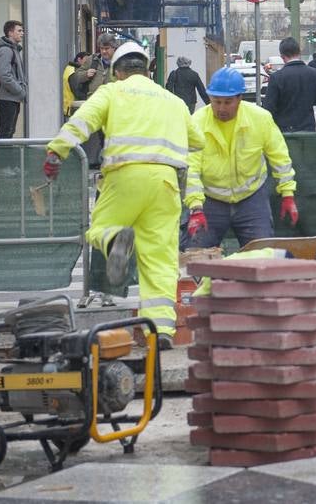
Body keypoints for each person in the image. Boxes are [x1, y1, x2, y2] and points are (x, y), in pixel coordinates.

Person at [43, 41, 203, 350]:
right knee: (159, 260)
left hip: (124, 177)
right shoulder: (173, 101)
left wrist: (56, 152)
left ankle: (116, 240)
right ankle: (161, 332)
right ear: (147, 70)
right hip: (166, 184)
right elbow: (196, 142)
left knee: (100, 228)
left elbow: (82, 122)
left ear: (117, 72)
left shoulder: (111, 92)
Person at [184, 66, 298, 250]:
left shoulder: (260, 119)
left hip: (251, 198)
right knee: (196, 256)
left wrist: (287, 194)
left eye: (228, 102)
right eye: (216, 101)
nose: (221, 108)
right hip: (210, 200)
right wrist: (196, 208)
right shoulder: (197, 122)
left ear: (240, 98)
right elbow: (191, 168)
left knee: (262, 256)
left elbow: (280, 157)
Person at [261, 37, 316, 132]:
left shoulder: (276, 77)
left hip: (284, 131)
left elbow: (268, 108)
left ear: (282, 56)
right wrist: (308, 99)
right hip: (308, 129)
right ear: (299, 53)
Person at [71, 33, 119, 167]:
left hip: (113, 104)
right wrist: (86, 75)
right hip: (94, 103)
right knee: (96, 133)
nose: (104, 51)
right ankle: (97, 160)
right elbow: (76, 77)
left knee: (110, 133)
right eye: (102, 48)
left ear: (114, 48)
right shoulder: (92, 60)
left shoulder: (120, 62)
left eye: (107, 48)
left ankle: (108, 160)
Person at [0, 20, 26, 139]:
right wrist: (19, 90)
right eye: (19, 30)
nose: (22, 33)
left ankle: (3, 156)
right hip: (8, 98)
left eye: (22, 30)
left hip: (12, 98)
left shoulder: (14, 49)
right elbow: (4, 75)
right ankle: (1, 157)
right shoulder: (5, 50)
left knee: (9, 131)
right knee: (6, 132)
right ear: (10, 33)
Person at [61, 51, 88, 117]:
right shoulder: (73, 72)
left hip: (69, 108)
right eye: (86, 60)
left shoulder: (70, 68)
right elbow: (77, 92)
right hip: (72, 108)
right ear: (79, 59)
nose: (87, 63)